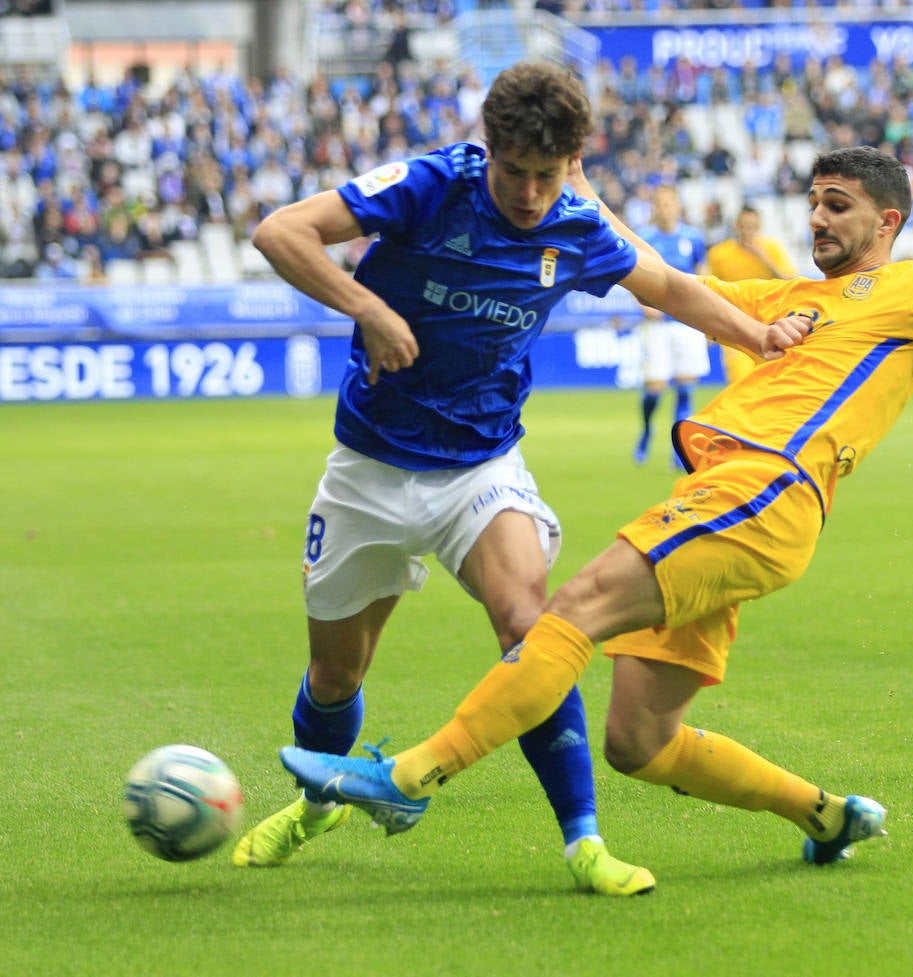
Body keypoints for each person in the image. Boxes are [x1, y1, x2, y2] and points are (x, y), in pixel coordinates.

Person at [278, 146, 913, 879]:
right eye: (813, 202)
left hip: (763, 487)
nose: (818, 220)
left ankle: (410, 773)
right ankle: (825, 814)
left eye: (837, 207)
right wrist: (579, 182)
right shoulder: (778, 297)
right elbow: (660, 274)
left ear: (887, 221)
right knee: (639, 738)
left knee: (567, 611)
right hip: (734, 500)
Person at [233, 61, 801, 896]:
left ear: (573, 162)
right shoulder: (430, 184)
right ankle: (320, 802)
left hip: (481, 469)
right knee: (335, 678)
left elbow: (671, 287)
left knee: (531, 628)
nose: (532, 194)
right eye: (515, 173)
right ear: (487, 147)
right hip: (370, 464)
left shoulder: (574, 224)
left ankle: (584, 843)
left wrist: (759, 337)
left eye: (548, 175)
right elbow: (281, 231)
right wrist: (370, 308)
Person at [630, 184, 709, 468]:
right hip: (658, 325)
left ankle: (678, 451)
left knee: (686, 386)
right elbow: (632, 274)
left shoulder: (693, 237)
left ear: (678, 206)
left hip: (687, 321)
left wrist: (707, 317)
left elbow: (703, 275)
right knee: (655, 388)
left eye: (669, 203)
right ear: (654, 208)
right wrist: (643, 304)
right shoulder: (645, 238)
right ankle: (647, 430)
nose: (665, 208)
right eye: (660, 203)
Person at [704, 203, 798, 384]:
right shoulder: (720, 254)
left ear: (759, 227)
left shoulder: (771, 249)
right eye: (744, 226)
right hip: (735, 326)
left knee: (769, 383)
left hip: (770, 324)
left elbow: (790, 280)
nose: (748, 231)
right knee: (741, 381)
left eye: (752, 227)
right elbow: (709, 290)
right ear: (736, 226)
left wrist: (764, 258)